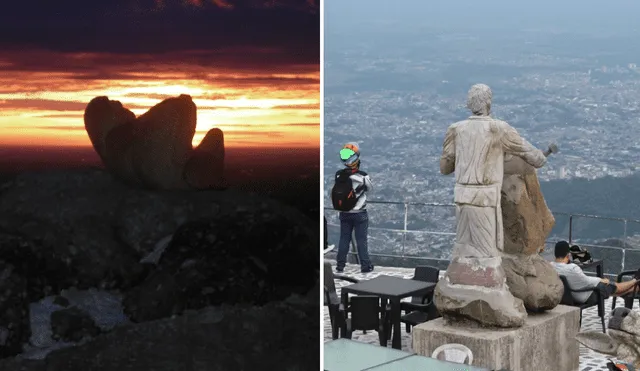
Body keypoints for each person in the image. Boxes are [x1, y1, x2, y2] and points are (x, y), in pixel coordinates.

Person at [552, 240, 639, 304]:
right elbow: (586, 281)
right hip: (585, 296)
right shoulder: (572, 268)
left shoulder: (549, 266)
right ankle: (635, 280)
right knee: (612, 286)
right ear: (568, 255)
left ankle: (635, 288)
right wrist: (601, 280)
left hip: (567, 297)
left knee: (611, 290)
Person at [333, 142, 374, 273]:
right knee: (361, 240)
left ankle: (340, 265)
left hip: (344, 212)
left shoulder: (339, 175)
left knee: (344, 239)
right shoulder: (362, 176)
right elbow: (370, 189)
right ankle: (365, 266)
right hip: (360, 213)